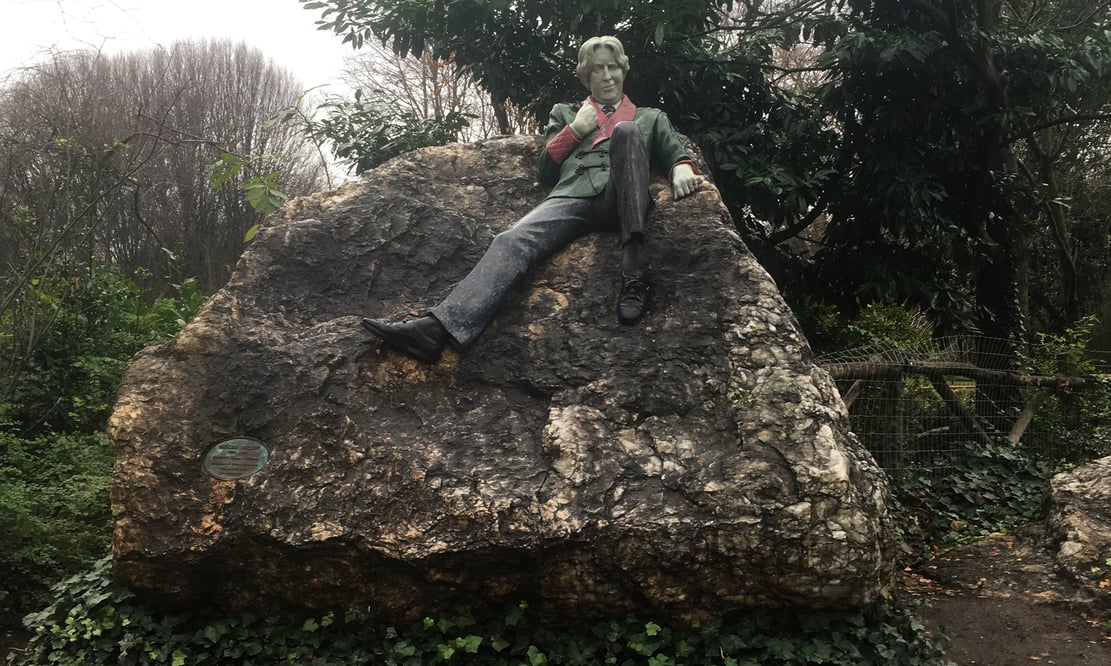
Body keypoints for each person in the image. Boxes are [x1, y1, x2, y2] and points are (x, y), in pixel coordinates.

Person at [362, 35, 700, 364]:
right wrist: (576, 131)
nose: (607, 76)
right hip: (573, 198)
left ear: (624, 70)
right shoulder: (566, 113)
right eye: (598, 70)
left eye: (613, 67)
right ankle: (437, 329)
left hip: (621, 197)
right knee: (512, 239)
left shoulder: (649, 117)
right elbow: (547, 170)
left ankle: (633, 273)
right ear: (586, 76)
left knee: (627, 131)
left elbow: (674, 151)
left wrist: (681, 166)